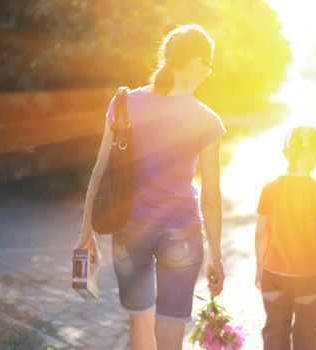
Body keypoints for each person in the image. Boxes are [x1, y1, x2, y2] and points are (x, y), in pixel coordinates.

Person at [74, 24, 225, 350]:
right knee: (170, 333)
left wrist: (86, 232)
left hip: (130, 232)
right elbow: (211, 198)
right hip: (182, 232)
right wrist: (216, 252)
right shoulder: (206, 119)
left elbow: (99, 171)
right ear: (198, 63)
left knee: (140, 327)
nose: (208, 74)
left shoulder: (123, 103)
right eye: (209, 67)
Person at [254, 126, 316, 350]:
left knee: (274, 332)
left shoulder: (269, 190)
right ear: (313, 155)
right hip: (307, 276)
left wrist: (260, 267)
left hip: (273, 273)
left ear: (287, 153)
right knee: (307, 332)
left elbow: (261, 234)